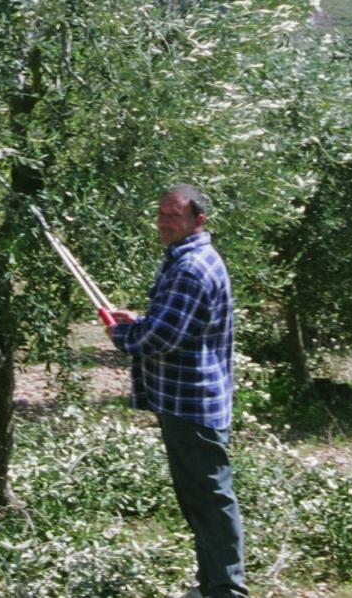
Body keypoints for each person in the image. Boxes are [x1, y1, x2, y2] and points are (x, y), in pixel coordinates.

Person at [107, 184, 247, 598]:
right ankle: (212, 586)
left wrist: (123, 335)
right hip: (190, 401)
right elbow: (175, 323)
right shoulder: (187, 259)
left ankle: (226, 590)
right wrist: (137, 321)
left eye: (174, 216)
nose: (165, 223)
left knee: (209, 500)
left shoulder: (189, 267)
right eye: (162, 214)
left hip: (194, 405)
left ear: (198, 220)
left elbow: (161, 337)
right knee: (200, 500)